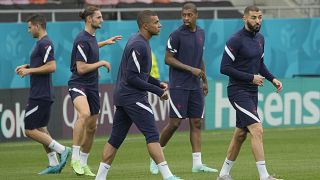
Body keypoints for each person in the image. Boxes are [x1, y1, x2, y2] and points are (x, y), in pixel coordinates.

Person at [95, 10, 182, 180]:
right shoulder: (138, 44)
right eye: (156, 22)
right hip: (132, 97)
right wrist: (158, 92)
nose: (160, 25)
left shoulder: (140, 42)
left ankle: (100, 177)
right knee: (152, 135)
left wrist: (157, 82)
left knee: (115, 139)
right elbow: (132, 77)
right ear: (145, 25)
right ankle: (168, 176)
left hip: (124, 97)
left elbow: (139, 73)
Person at [216, 5, 283, 180]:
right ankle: (264, 176)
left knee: (240, 134)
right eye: (253, 17)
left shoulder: (260, 39)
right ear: (244, 18)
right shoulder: (235, 40)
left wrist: (272, 78)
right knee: (257, 129)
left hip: (252, 92)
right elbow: (224, 68)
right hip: (237, 91)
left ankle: (223, 174)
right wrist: (250, 78)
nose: (257, 21)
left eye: (260, 17)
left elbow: (260, 65)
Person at [149, 2, 217, 174]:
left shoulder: (201, 33)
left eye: (189, 15)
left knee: (196, 122)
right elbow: (168, 59)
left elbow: (200, 58)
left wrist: (204, 79)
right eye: (184, 15)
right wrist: (191, 69)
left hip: (195, 85)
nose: (186, 18)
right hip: (179, 84)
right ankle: (156, 156)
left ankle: (197, 164)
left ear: (196, 15)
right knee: (175, 123)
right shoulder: (176, 34)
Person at [68, 6, 122, 176]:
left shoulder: (90, 38)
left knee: (92, 127)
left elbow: (91, 48)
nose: (102, 20)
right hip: (78, 83)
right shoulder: (82, 39)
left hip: (92, 86)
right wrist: (101, 63)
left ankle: (83, 163)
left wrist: (105, 42)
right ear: (90, 19)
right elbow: (82, 68)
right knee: (83, 114)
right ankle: (75, 158)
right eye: (98, 17)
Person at [15, 13, 71, 174]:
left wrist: (30, 71)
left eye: (29, 27)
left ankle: (62, 150)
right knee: (41, 128)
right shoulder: (41, 43)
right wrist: (27, 66)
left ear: (37, 26)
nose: (28, 30)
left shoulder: (45, 43)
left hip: (40, 94)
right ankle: (53, 163)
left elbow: (52, 66)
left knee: (29, 129)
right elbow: (40, 63)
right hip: (41, 93)